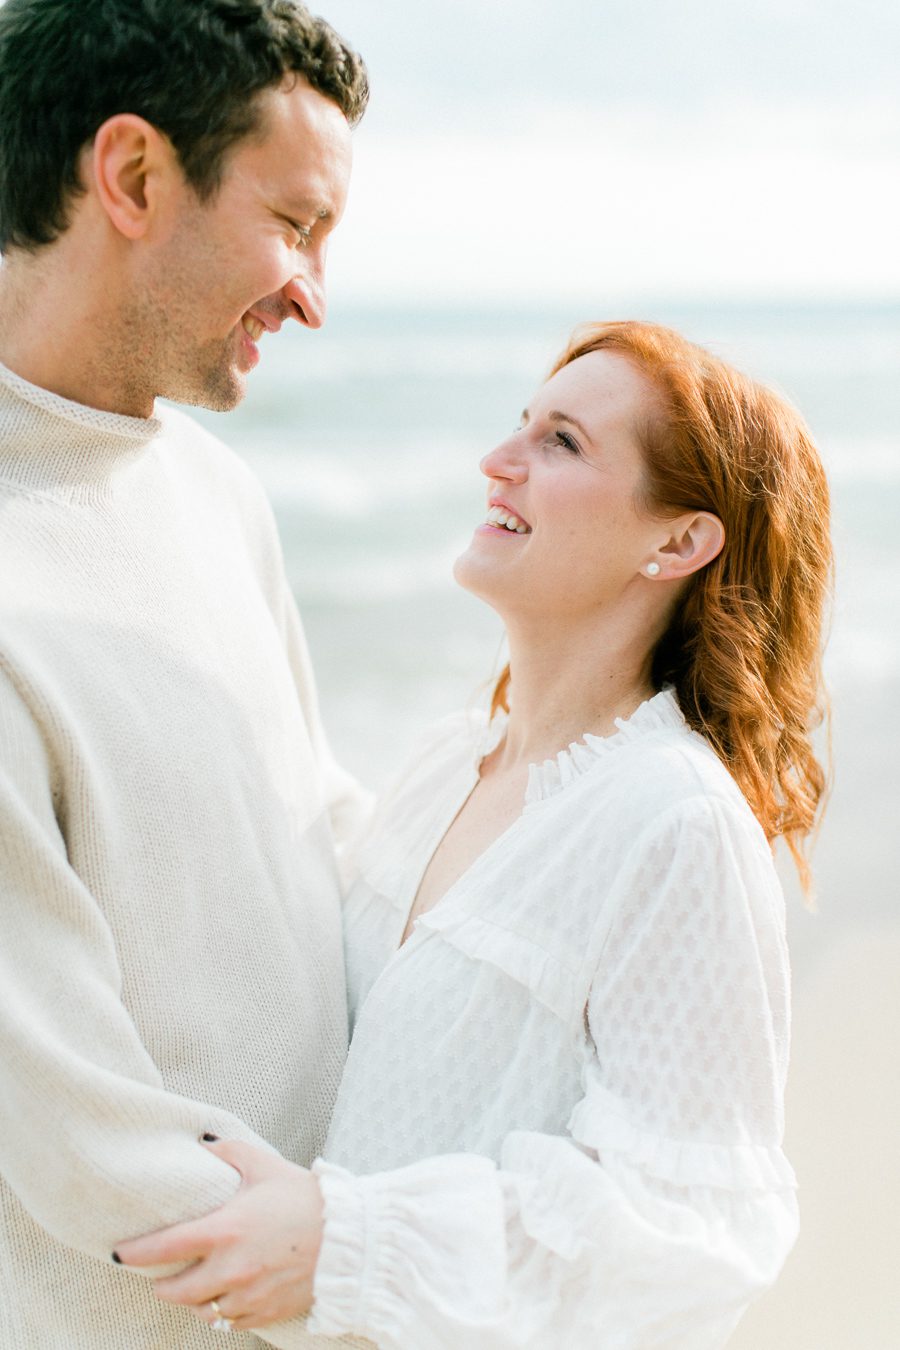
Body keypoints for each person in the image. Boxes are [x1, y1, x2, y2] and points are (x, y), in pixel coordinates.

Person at [118, 320, 833, 1348]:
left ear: (677, 542)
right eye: (521, 427)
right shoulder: (448, 764)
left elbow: (692, 1231)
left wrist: (347, 1244)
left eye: (563, 444)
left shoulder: (676, 822)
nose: (498, 462)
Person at [0, 2, 372, 1347]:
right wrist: (365, 1290)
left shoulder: (219, 495)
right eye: (296, 225)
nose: (314, 296)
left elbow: (322, 834)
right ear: (136, 177)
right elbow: (70, 1124)